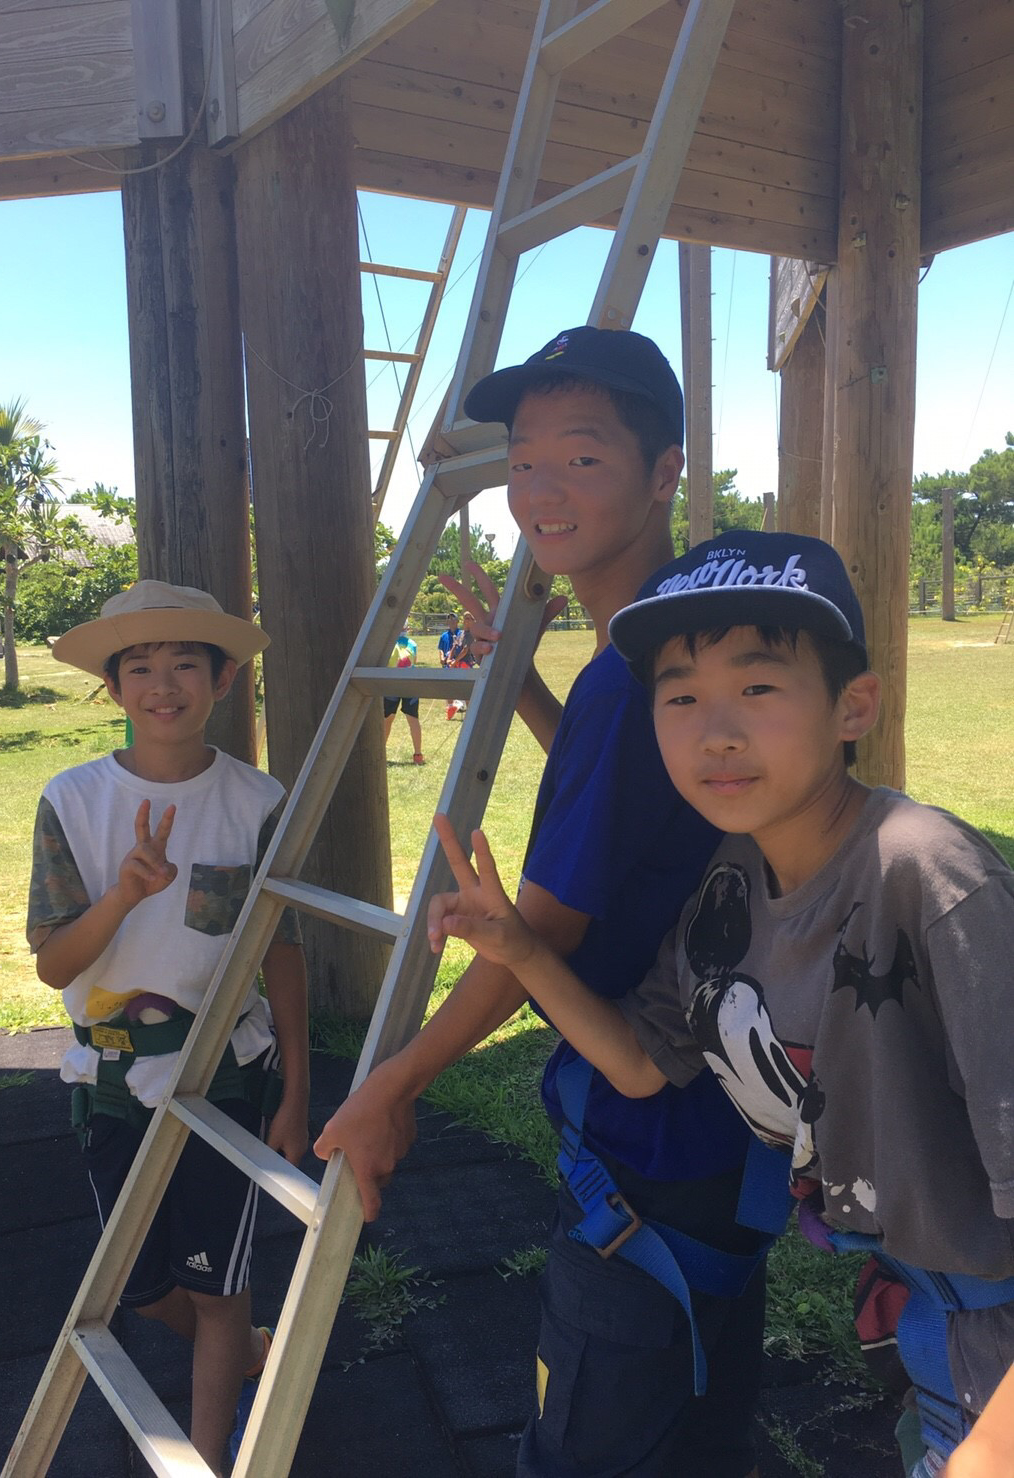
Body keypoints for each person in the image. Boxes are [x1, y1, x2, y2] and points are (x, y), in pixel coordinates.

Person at [428, 530, 1014, 1478]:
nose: (717, 731)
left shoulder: (925, 876)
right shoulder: (733, 879)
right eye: (682, 696)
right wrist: (519, 949)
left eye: (759, 687)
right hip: (923, 1312)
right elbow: (638, 1061)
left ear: (852, 705)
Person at [318, 328, 774, 1478]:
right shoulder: (664, 640)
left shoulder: (636, 679)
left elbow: (547, 931)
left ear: (664, 471)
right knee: (697, 1425)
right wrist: (520, 682)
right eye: (522, 461)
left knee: (598, 1444)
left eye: (580, 456)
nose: (540, 490)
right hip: (725, 1118)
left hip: (652, 1145)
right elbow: (645, 810)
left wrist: (389, 1083)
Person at [27, 580, 310, 1474]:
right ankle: (251, 1348)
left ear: (222, 679)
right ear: (114, 690)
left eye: (186, 662)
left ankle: (211, 1453)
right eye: (140, 667)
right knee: (144, 1287)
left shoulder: (258, 800)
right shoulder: (71, 801)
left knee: (218, 1287)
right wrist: (126, 892)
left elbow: (282, 952)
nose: (164, 685)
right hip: (110, 1079)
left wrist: (298, 1089)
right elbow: (55, 964)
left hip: (225, 1072)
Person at [383, 625, 425, 765]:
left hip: (391, 684)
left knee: (387, 719)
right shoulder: (413, 644)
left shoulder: (387, 643)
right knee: (413, 719)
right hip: (411, 684)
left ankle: (381, 752)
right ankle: (418, 754)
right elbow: (415, 662)